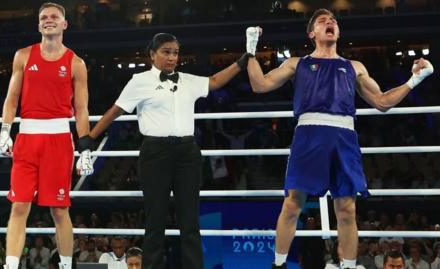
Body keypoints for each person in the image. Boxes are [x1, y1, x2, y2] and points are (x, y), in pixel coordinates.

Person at [243, 8, 434, 269]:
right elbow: (259, 85)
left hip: (344, 136)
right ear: (312, 33)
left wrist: (415, 79)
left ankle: (348, 265)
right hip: (309, 135)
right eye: (322, 21)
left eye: (333, 20)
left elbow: (382, 102)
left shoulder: (354, 67)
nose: (329, 22)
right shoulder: (296, 64)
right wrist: (251, 50)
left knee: (346, 209)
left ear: (338, 31)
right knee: (292, 204)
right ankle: (278, 265)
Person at [85, 33, 249, 269]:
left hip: (187, 152)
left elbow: (214, 82)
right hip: (155, 152)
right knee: (155, 221)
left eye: (175, 52)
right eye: (166, 51)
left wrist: (241, 62)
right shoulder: (139, 81)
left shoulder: (187, 80)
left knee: (190, 221)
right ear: (152, 55)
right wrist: (91, 137)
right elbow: (116, 110)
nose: (172, 57)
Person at [0, 2, 94, 269]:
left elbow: (82, 110)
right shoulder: (23, 56)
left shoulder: (76, 63)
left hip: (59, 140)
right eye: (43, 17)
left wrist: (85, 149)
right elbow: (11, 99)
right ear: (38, 24)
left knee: (59, 210)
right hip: (27, 139)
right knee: (19, 206)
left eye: (54, 17)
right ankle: (11, 266)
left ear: (64, 24)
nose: (48, 20)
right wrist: (5, 133)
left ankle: (65, 265)